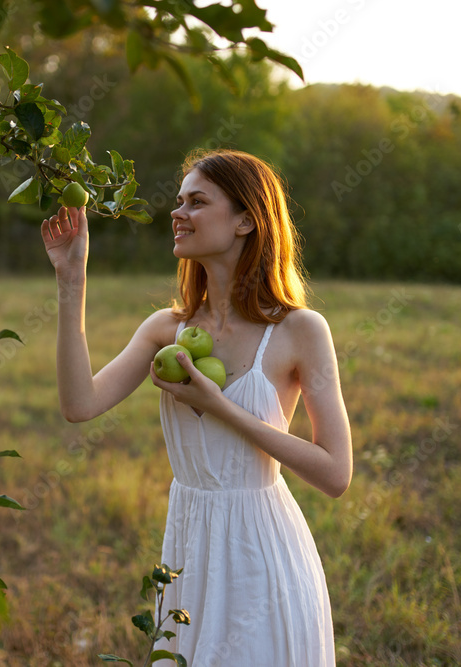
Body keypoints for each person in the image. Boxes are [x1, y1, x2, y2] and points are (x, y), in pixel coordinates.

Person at [40, 149, 352, 666]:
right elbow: (79, 404)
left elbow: (336, 474)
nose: (177, 213)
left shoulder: (300, 330)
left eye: (197, 202)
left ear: (246, 220)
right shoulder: (169, 327)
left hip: (263, 550)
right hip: (188, 544)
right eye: (179, 200)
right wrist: (71, 281)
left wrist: (220, 406)